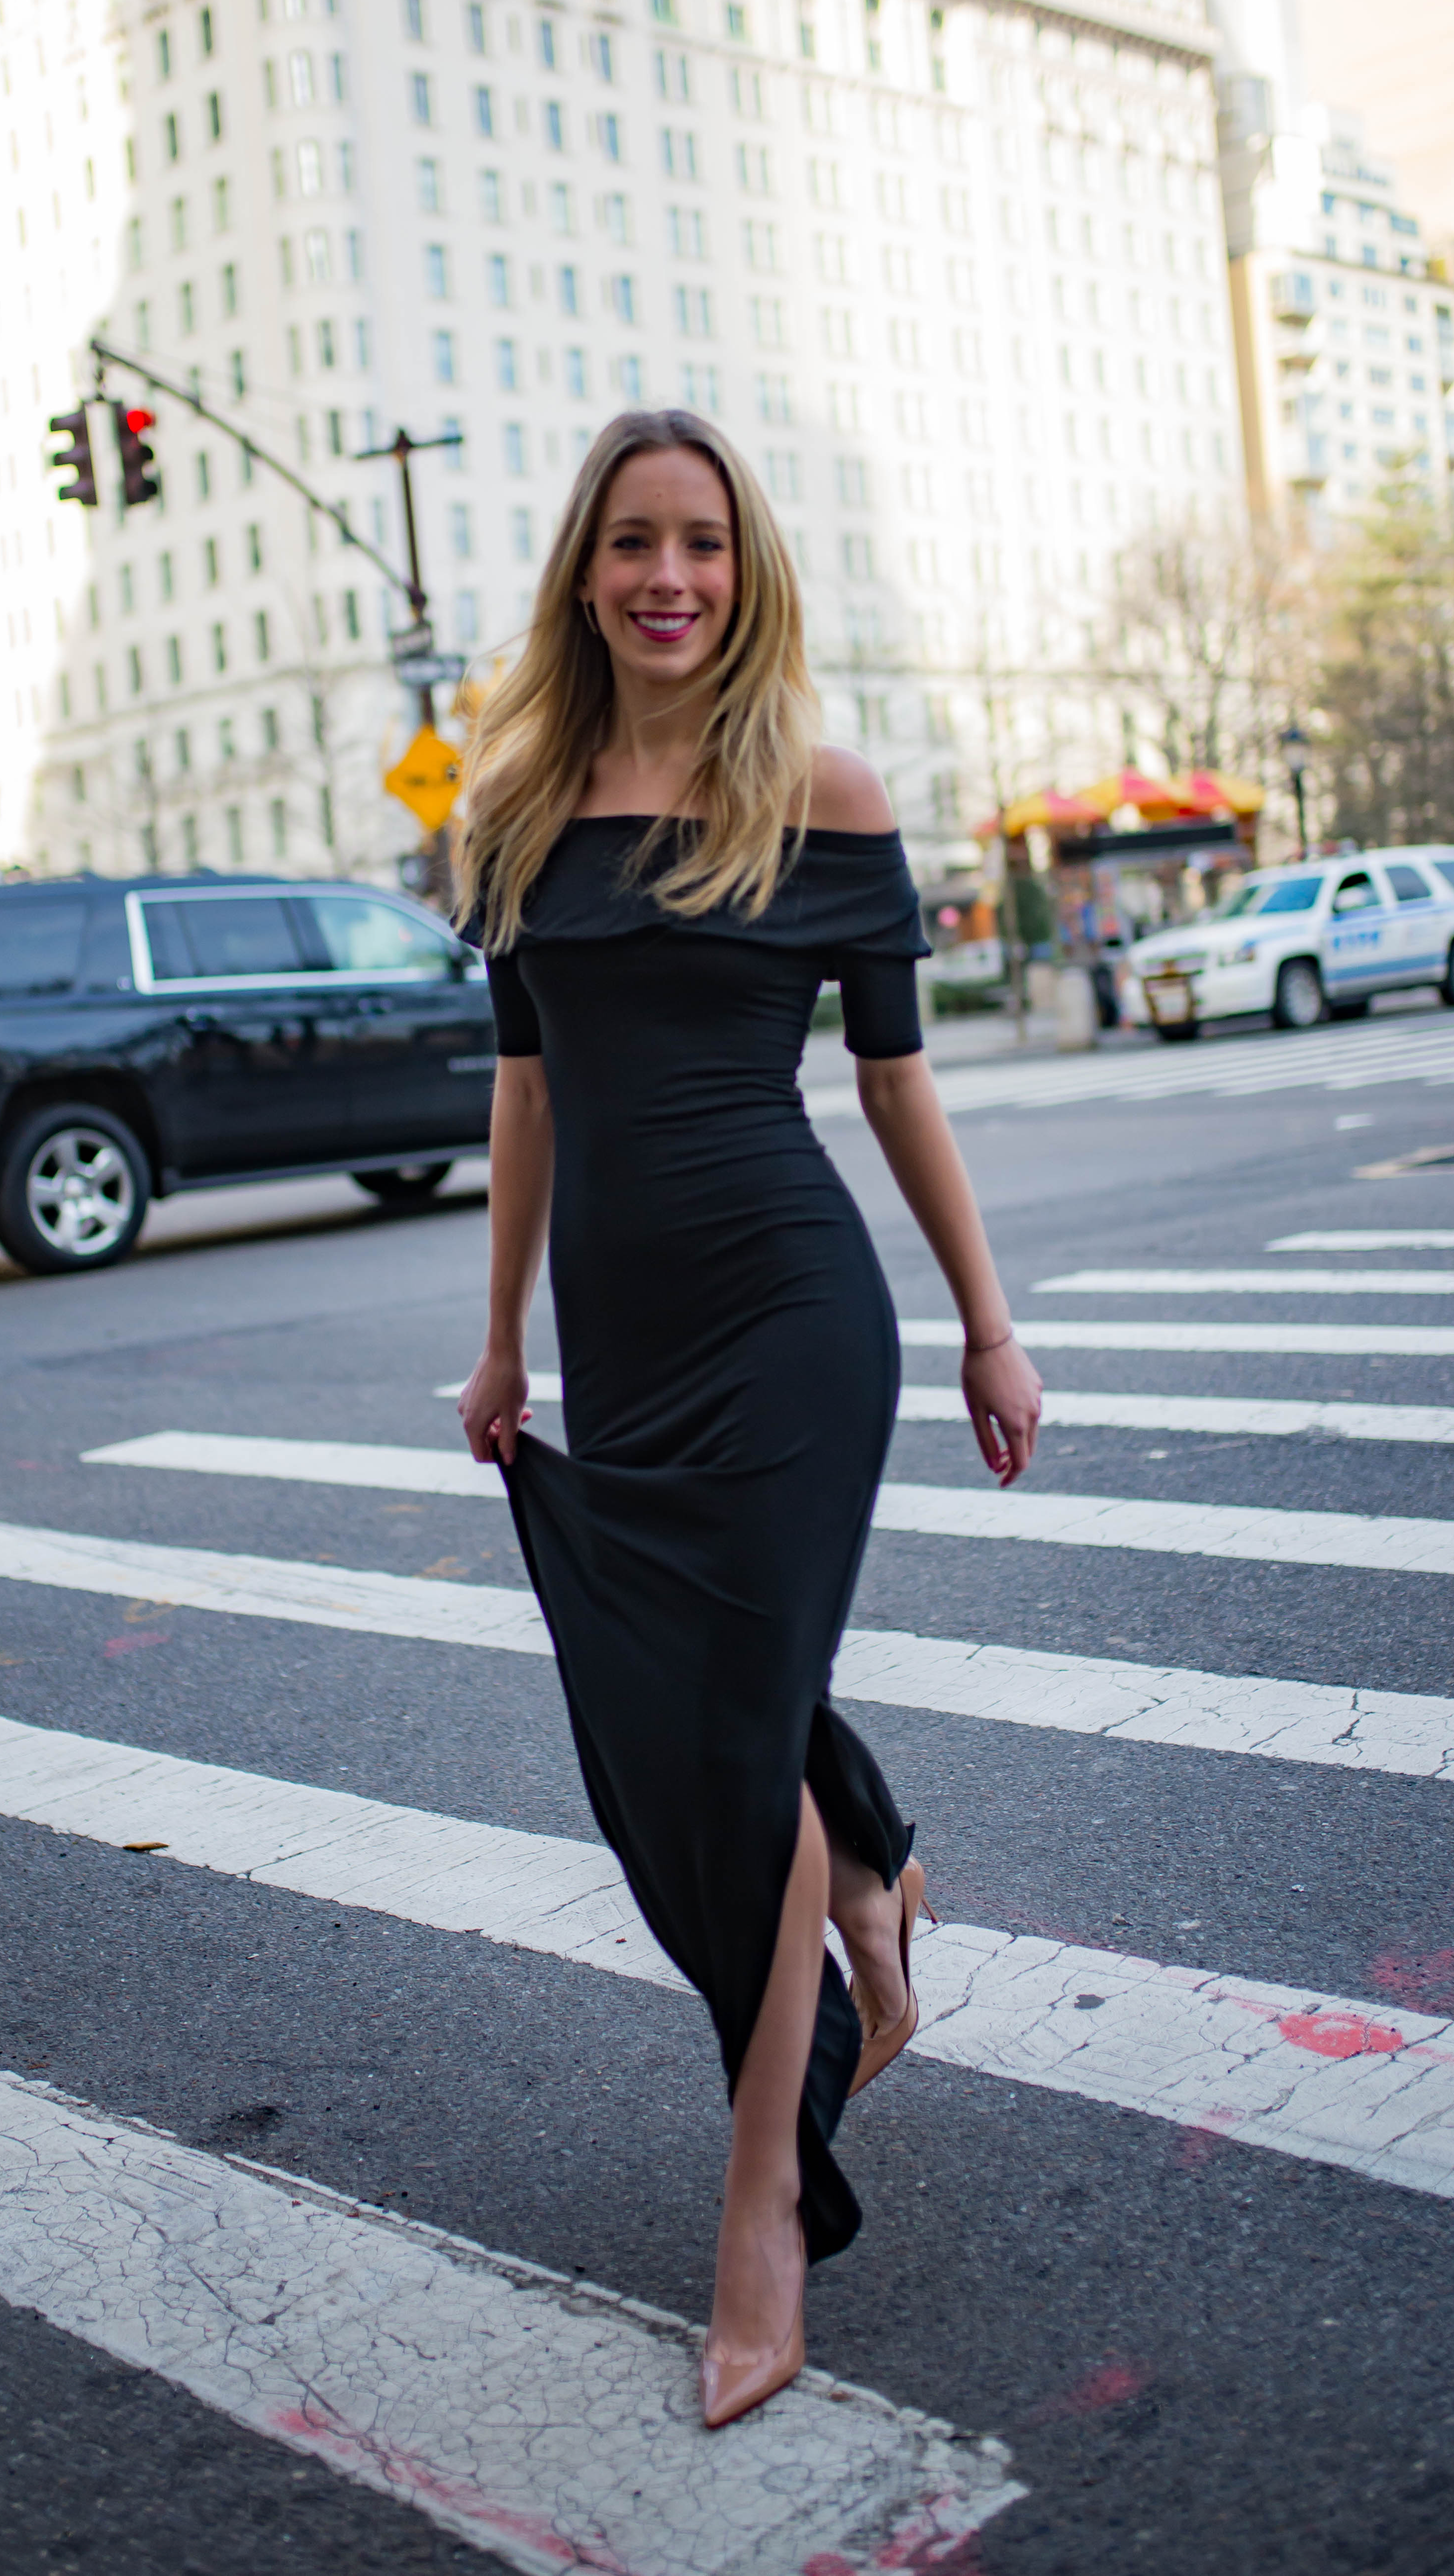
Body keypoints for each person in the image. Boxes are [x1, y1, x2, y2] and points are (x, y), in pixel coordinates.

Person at [454, 410, 1043, 2431]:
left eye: (701, 541)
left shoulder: (821, 792)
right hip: (620, 1340)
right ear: (583, 570)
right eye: (631, 541)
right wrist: (500, 1342)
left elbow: (892, 1083)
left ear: (745, 564)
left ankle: (761, 2205)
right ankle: (870, 1884)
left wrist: (984, 1321)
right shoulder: (515, 809)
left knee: (726, 1733)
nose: (668, 576)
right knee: (691, 1716)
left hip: (794, 1322)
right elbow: (526, 1095)